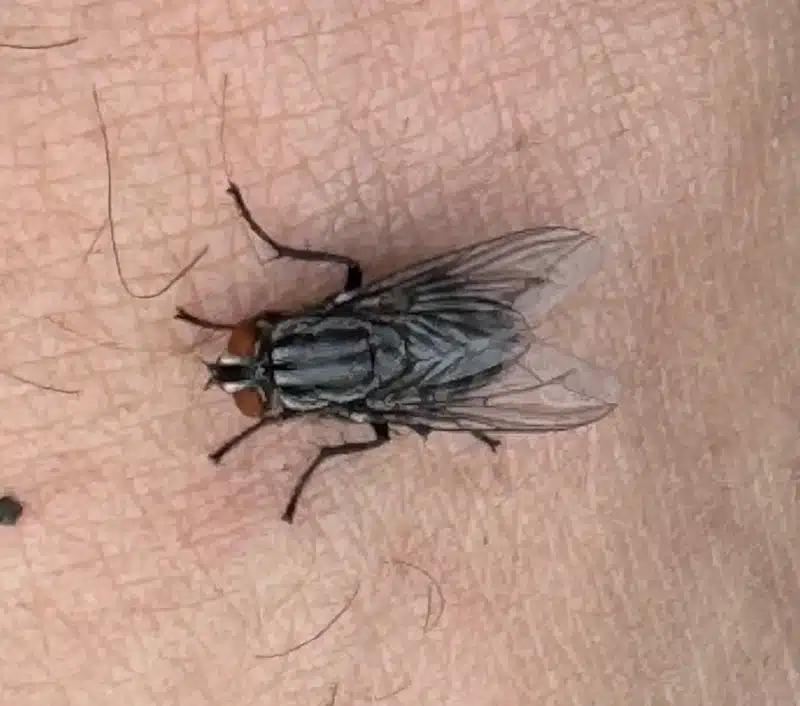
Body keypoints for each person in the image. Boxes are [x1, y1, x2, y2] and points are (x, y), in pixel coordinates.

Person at [1, 3, 796, 704]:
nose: (243, 364)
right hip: (415, 320)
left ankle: (440, 416)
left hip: (432, 371)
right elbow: (403, 302)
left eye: (247, 356)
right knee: (396, 373)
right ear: (277, 325)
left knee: (396, 417)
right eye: (254, 368)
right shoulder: (343, 312)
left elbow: (365, 413)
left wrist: (289, 429)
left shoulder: (324, 390)